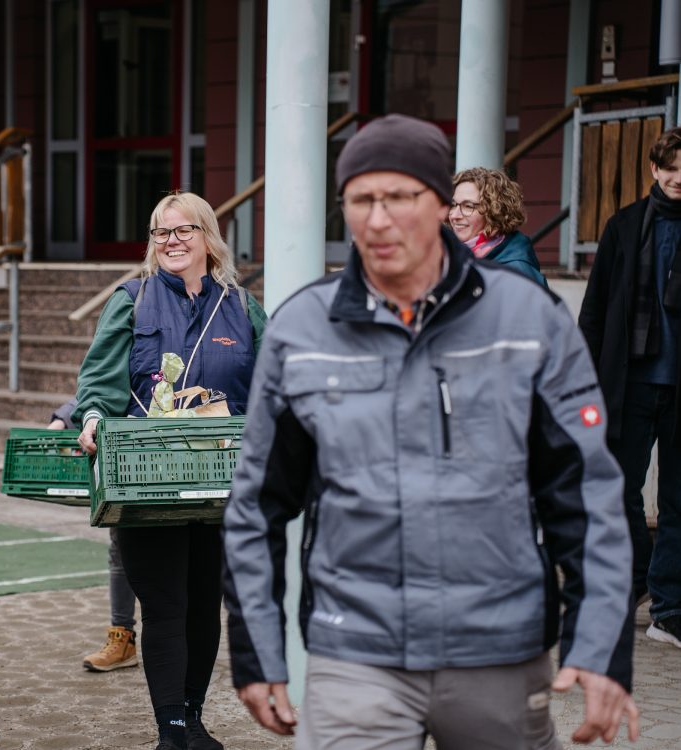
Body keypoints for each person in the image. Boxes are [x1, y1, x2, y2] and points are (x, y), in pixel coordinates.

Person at [223, 114, 638, 750]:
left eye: (399, 197)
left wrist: (601, 645)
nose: (378, 219)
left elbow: (587, 496)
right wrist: (257, 652)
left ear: (443, 203)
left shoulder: (529, 319)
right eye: (360, 199)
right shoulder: (301, 330)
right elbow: (256, 505)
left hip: (498, 649)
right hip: (355, 652)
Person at [74, 191, 267, 750]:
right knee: (164, 607)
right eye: (161, 232)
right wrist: (92, 417)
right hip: (147, 477)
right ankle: (171, 729)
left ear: (208, 238)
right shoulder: (130, 301)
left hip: (222, 482)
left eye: (184, 230)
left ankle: (194, 718)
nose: (171, 241)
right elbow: (99, 380)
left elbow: (273, 383)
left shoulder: (243, 306)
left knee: (205, 608)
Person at [580, 126, 681, 649]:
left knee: (678, 501)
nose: (679, 179)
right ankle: (631, 579)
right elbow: (595, 310)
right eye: (672, 169)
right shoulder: (622, 227)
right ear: (654, 169)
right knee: (620, 492)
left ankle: (669, 609)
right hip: (630, 383)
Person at [47, 398, 139, 672]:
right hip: (124, 461)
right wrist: (64, 418)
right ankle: (122, 638)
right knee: (121, 548)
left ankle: (182, 638)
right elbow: (100, 387)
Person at [449, 166, 548, 287]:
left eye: (468, 206)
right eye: (453, 205)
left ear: (495, 211)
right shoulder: (453, 257)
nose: (454, 215)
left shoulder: (517, 272)